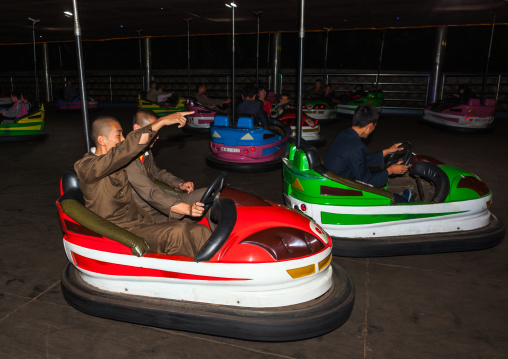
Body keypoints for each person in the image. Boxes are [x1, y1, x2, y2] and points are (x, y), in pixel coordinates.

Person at [74, 111, 211, 257]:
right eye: (119, 135)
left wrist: (179, 186)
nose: (124, 139)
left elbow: (150, 169)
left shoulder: (119, 163)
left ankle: (214, 270)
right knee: (176, 232)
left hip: (141, 220)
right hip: (120, 230)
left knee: (200, 231)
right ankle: (185, 277)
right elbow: (127, 150)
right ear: (102, 140)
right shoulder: (86, 167)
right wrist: (161, 122)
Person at [125, 109, 208, 224]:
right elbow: (150, 193)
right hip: (148, 213)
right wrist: (186, 209)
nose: (157, 136)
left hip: (161, 203)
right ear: (137, 129)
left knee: (208, 196)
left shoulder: (145, 151)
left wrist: (179, 184)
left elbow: (157, 172)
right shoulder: (128, 159)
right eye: (154, 130)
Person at [324, 105, 413, 202]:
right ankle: (402, 202)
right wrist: (390, 170)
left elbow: (358, 159)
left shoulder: (344, 135)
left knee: (379, 186)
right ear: (369, 126)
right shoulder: (357, 146)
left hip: (336, 179)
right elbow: (367, 180)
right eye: (375, 126)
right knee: (387, 194)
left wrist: (387, 151)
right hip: (342, 186)